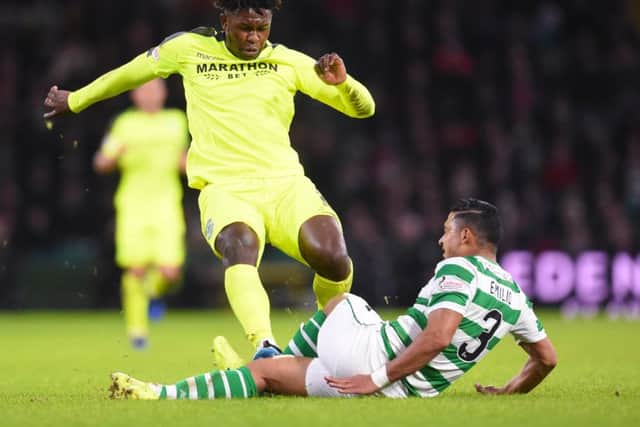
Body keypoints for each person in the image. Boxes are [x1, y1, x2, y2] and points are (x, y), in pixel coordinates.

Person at [43, 0, 375, 358]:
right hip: (225, 189)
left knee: (333, 256)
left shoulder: (289, 61)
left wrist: (345, 84)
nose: (253, 37)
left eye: (261, 28)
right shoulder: (188, 49)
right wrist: (75, 100)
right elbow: (130, 73)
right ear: (224, 20)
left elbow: (363, 109)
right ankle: (265, 346)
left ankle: (326, 335)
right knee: (239, 245)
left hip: (285, 185)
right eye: (244, 28)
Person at [108, 198, 558, 400]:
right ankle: (157, 394)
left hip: (373, 365)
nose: (440, 240)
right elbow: (546, 359)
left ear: (465, 236)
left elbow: (439, 337)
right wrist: (507, 391)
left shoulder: (460, 267)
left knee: (342, 301)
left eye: (446, 231)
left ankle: (173, 386)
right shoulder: (516, 297)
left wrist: (375, 376)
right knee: (266, 377)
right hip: (403, 395)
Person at [93, 78, 189, 349]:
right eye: (144, 90)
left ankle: (150, 294)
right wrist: (111, 157)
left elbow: (183, 160)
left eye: (154, 89)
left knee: (170, 272)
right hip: (133, 204)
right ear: (135, 95)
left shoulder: (176, 121)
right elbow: (101, 161)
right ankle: (137, 332)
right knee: (135, 269)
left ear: (163, 93)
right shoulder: (124, 124)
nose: (149, 95)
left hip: (167, 203)